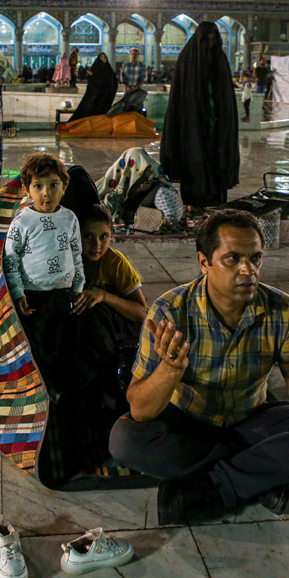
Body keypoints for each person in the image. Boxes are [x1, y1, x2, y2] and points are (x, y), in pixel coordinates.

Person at [109, 210, 289, 525]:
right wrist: (169, 371)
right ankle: (255, 474)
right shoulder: (169, 312)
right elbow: (141, 410)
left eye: (255, 259)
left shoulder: (283, 311)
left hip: (250, 418)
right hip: (188, 423)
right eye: (232, 259)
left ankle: (213, 487)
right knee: (125, 440)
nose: (247, 270)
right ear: (204, 262)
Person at [3, 152, 85, 397]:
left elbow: (76, 253)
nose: (46, 193)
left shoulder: (69, 218)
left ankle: (59, 391)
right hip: (33, 296)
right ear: (27, 190)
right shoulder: (22, 221)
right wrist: (17, 292)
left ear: (64, 187)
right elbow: (11, 259)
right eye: (38, 186)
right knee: (36, 345)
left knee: (61, 343)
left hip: (63, 294)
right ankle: (40, 391)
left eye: (53, 185)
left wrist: (78, 286)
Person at [160, 21, 239, 209]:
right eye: (206, 40)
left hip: (216, 123)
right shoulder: (188, 58)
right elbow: (179, 97)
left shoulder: (219, 58)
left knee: (216, 158)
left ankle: (215, 199)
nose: (209, 45)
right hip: (192, 121)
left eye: (213, 40)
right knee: (194, 158)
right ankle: (193, 201)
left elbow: (226, 95)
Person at [71, 203, 147, 397]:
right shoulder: (65, 260)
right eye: (88, 236)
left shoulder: (116, 263)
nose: (97, 245)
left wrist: (104, 296)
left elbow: (141, 313)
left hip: (114, 335)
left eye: (104, 237)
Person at [68, 52, 118, 122]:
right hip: (95, 96)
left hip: (105, 97)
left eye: (105, 57)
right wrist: (92, 75)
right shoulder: (95, 68)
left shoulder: (109, 70)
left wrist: (93, 75)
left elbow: (112, 82)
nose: (104, 58)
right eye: (102, 57)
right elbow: (93, 83)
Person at [108, 48, 147, 114]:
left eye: (135, 54)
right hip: (127, 89)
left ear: (138, 55)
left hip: (137, 90)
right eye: (132, 54)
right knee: (126, 106)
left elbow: (143, 78)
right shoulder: (125, 65)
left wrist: (135, 86)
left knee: (137, 106)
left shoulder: (142, 66)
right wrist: (127, 87)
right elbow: (123, 77)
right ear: (130, 55)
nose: (134, 56)